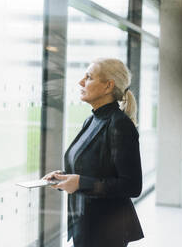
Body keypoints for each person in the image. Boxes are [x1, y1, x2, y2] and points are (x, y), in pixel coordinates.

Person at [43, 58, 144, 247]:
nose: (81, 82)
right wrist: (64, 177)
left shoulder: (119, 124)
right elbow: (95, 168)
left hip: (106, 232)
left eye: (88, 77)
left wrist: (80, 183)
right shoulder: (92, 120)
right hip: (84, 226)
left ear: (108, 86)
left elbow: (132, 186)